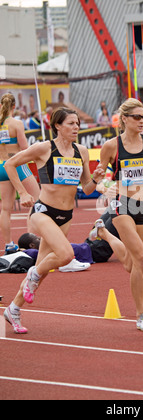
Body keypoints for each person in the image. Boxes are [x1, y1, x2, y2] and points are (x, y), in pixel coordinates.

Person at [3, 107, 104, 334]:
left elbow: (87, 189)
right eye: (70, 123)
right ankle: (33, 274)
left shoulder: (82, 152)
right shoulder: (44, 148)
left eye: (77, 123)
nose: (76, 127)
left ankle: (13, 309)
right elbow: (10, 164)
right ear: (57, 126)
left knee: (44, 269)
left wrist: (96, 179)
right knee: (66, 255)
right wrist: (23, 192)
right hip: (43, 211)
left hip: (66, 216)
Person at [98, 98, 143, 332]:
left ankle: (105, 235)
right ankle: (141, 314)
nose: (142, 121)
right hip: (122, 205)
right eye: (137, 117)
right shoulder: (111, 146)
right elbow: (96, 178)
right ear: (124, 119)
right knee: (141, 256)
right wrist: (104, 187)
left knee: (133, 263)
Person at [0, 93, 40, 254]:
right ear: (14, 107)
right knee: (38, 201)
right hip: (17, 165)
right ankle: (32, 240)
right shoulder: (16, 123)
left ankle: (8, 244)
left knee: (5, 208)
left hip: (1, 166)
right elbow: (24, 148)